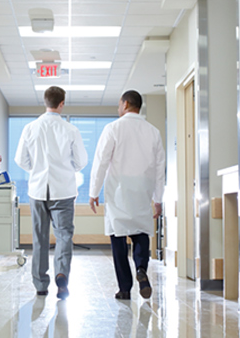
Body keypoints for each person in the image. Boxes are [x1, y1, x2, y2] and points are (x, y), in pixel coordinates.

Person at [88, 90, 165, 300]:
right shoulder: (153, 132)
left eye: (119, 104)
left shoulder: (113, 128)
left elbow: (101, 161)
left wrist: (93, 192)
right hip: (142, 191)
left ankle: (124, 289)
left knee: (118, 239)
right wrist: (158, 200)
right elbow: (160, 169)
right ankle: (141, 268)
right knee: (141, 233)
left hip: (118, 192)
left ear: (125, 104)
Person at [15, 86, 87, 299]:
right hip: (63, 191)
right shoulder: (70, 130)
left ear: (45, 102)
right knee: (64, 235)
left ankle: (40, 284)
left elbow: (20, 159)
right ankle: (62, 275)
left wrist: (36, 170)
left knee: (39, 237)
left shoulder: (30, 128)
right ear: (62, 103)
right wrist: (66, 170)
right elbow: (81, 161)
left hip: (37, 190)